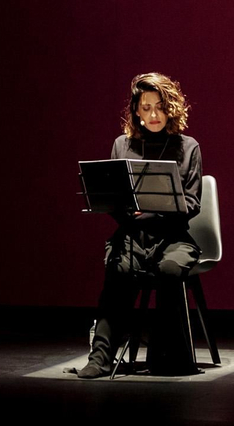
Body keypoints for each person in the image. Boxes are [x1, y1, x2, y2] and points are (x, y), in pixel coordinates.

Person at [75, 72, 204, 378]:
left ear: (171, 107)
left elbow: (192, 204)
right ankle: (101, 357)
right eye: (146, 108)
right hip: (133, 236)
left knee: (169, 270)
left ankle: (168, 356)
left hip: (174, 238)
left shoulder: (188, 147)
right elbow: (111, 199)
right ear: (136, 110)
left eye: (159, 106)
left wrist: (149, 215)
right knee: (117, 269)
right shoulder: (123, 145)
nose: (154, 114)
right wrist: (125, 215)